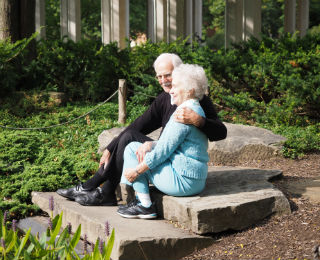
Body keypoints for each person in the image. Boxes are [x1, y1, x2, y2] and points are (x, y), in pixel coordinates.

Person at [56, 53, 227, 206]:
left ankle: (101, 190)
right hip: (166, 150)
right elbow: (138, 126)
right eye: (159, 76)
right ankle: (95, 188)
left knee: (130, 141)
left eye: (167, 75)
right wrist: (110, 147)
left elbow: (221, 132)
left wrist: (199, 120)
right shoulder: (164, 99)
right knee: (129, 135)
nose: (163, 80)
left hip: (177, 160)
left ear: (179, 73)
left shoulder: (196, 100)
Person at [117, 64, 209, 219]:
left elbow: (163, 152)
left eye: (175, 86)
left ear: (190, 91)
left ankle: (144, 205)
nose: (171, 90)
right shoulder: (195, 109)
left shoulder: (182, 114)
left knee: (133, 148)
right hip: (195, 180)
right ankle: (141, 201)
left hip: (183, 182)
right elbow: (172, 143)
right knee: (142, 148)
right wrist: (151, 144)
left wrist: (136, 171)